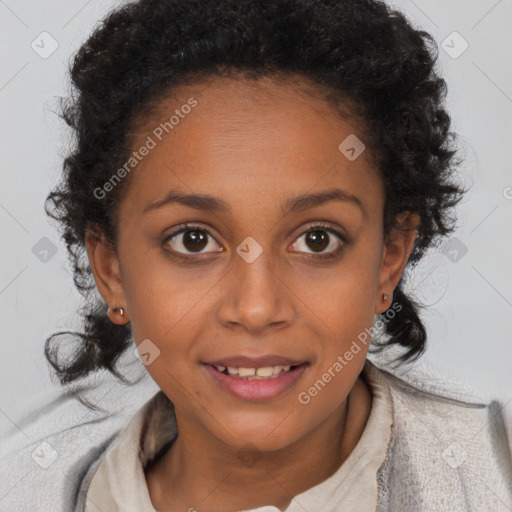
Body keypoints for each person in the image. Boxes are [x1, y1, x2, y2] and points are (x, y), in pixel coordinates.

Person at [1, 0, 511, 510]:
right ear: (111, 269)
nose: (256, 308)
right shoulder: (24, 491)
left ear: (389, 259)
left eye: (317, 240)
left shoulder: (494, 476)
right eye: (193, 240)